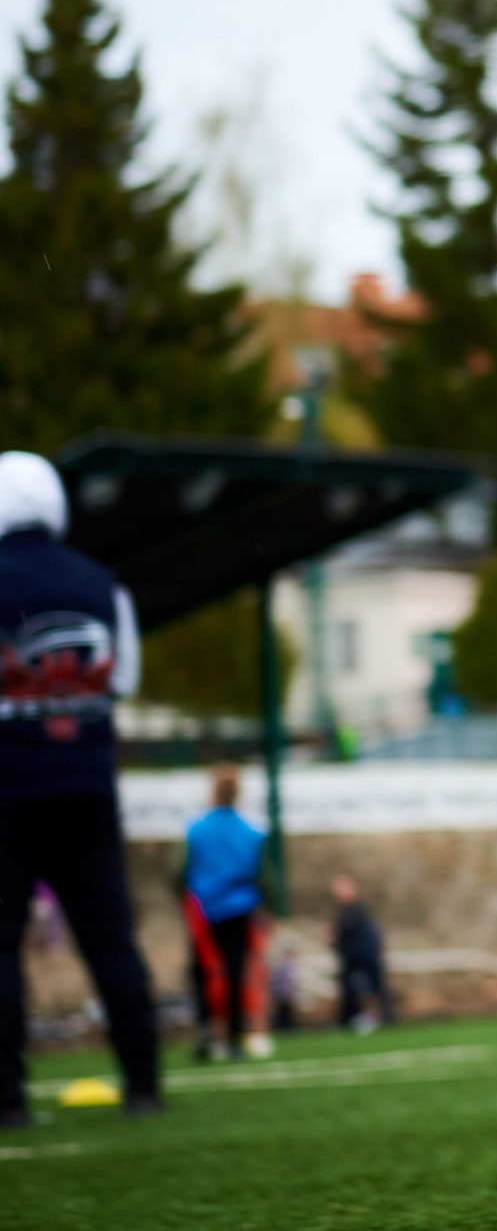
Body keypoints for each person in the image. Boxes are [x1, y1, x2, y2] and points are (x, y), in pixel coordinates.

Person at [0, 452, 161, 1121]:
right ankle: (144, 1084)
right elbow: (122, 681)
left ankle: (7, 1097)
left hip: (6, 789)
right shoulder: (103, 583)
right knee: (110, 937)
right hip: (89, 790)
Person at [184, 765, 272, 1060]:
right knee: (235, 973)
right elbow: (263, 874)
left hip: (204, 911)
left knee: (201, 972)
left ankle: (206, 1030)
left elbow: (179, 871)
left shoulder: (196, 829)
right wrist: (269, 907)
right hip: (240, 909)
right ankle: (234, 1037)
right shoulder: (251, 832)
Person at [331, 873, 392, 1034]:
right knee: (354, 992)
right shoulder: (346, 911)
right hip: (354, 959)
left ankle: (380, 1019)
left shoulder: (356, 910)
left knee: (370, 991)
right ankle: (352, 1020)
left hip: (363, 959)